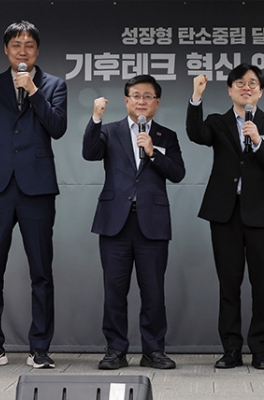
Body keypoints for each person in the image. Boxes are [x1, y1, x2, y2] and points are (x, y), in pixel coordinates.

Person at [0, 21, 67, 369]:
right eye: (16, 45)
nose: (23, 51)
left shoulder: (53, 85)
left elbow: (58, 127)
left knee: (41, 272)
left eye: (29, 45)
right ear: (6, 49)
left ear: (37, 50)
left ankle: (40, 348)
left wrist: (34, 91)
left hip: (37, 186)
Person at [186, 64, 264, 370]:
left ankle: (260, 350)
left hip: (262, 216)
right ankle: (231, 349)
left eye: (253, 83)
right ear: (230, 90)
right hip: (225, 213)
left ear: (261, 91)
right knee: (229, 285)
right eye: (240, 83)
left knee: (262, 286)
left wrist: (257, 141)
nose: (246, 87)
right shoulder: (217, 122)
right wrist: (196, 97)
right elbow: (196, 134)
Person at [83, 75, 185, 370]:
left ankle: (153, 351)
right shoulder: (110, 130)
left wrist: (152, 153)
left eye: (148, 96)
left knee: (153, 292)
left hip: (152, 223)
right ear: (127, 100)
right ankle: (115, 350)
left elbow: (178, 173)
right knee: (114, 291)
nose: (142, 101)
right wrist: (96, 118)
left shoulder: (166, 136)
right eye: (136, 96)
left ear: (157, 102)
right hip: (115, 221)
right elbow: (90, 153)